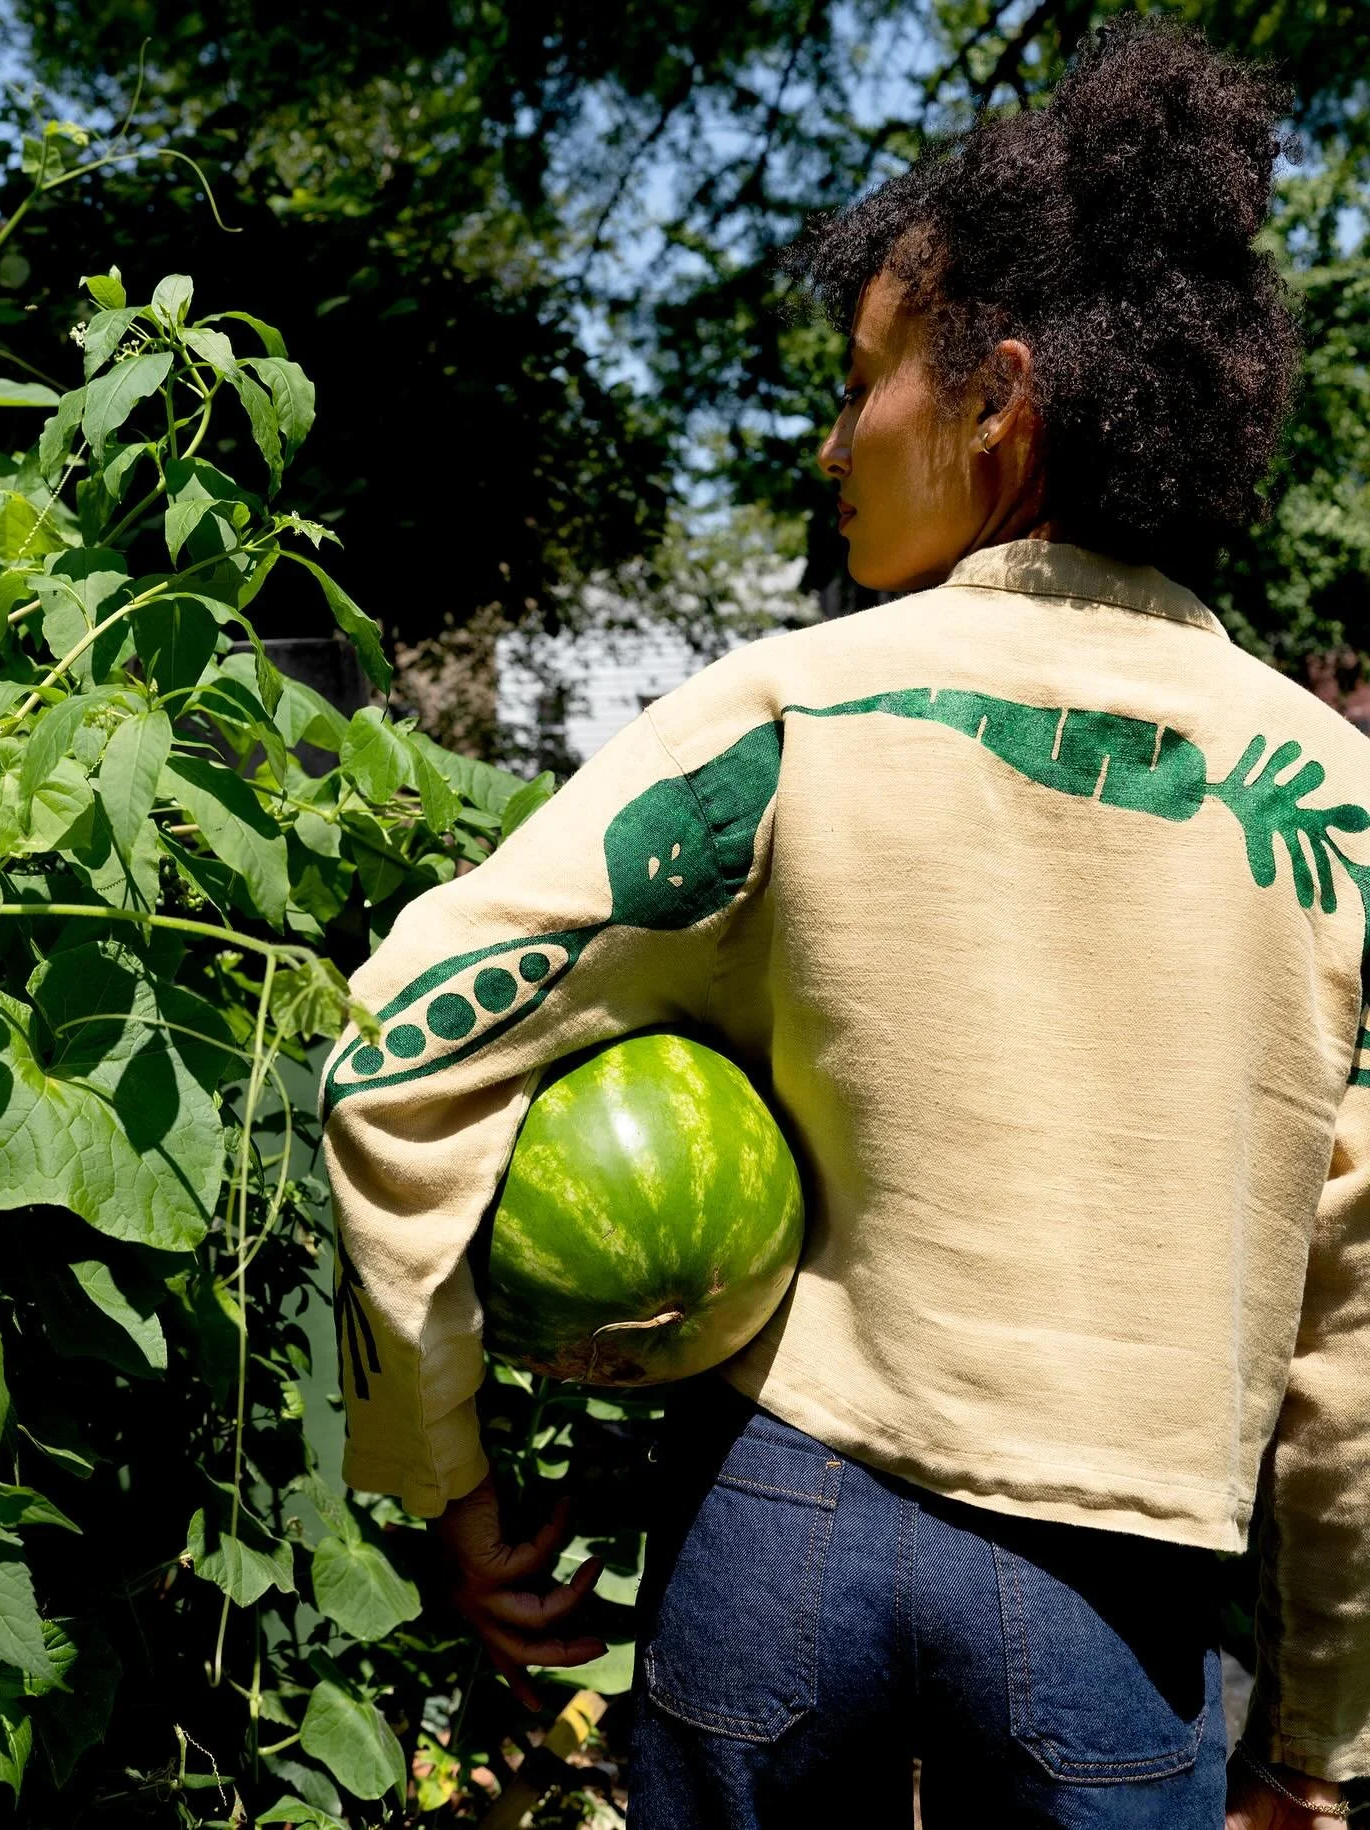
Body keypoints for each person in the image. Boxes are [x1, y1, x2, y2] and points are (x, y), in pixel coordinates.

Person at [320, 16, 1367, 1826]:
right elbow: (1354, 1334)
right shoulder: (1335, 800)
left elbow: (412, 1034)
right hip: (1112, 1610)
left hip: (780, 1535)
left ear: (998, 399)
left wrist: (455, 1483)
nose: (831, 443)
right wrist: (1320, 1740)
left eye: (866, 377)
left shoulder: (803, 708)